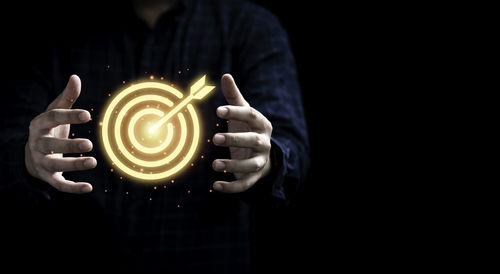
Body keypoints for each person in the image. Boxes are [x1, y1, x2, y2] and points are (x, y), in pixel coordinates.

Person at [0, 0, 309, 272]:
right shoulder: (52, 31)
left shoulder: (250, 27)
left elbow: (289, 147)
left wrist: (264, 159)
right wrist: (29, 157)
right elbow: (7, 147)